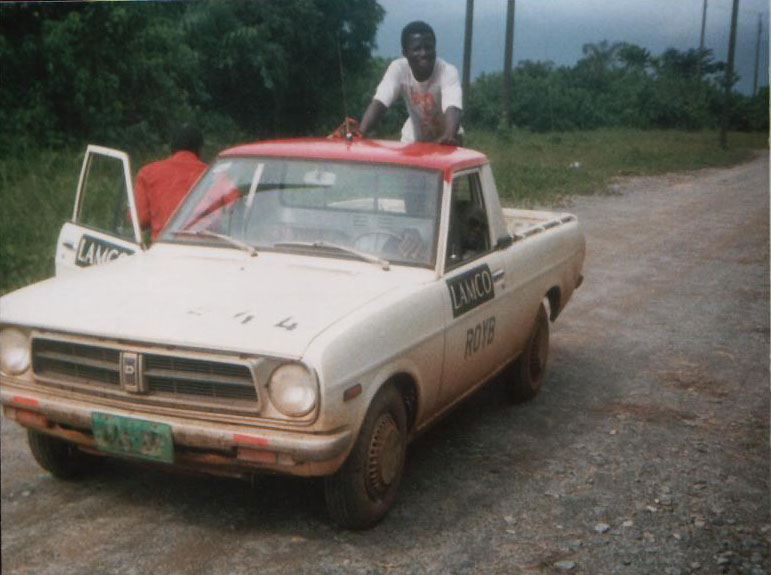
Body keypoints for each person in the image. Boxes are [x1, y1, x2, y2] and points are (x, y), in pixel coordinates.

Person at [359, 21, 463, 145]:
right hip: (413, 139)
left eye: (429, 48)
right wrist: (360, 133)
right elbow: (380, 101)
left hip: (446, 138)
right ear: (405, 53)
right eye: (417, 49)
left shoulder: (448, 71)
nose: (424, 53)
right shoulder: (398, 68)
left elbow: (453, 107)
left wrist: (449, 136)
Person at [133, 124, 207, 241]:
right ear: (200, 149)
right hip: (205, 249)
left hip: (163, 249)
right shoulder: (213, 175)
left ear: (171, 147)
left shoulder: (147, 173)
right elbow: (235, 215)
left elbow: (141, 220)